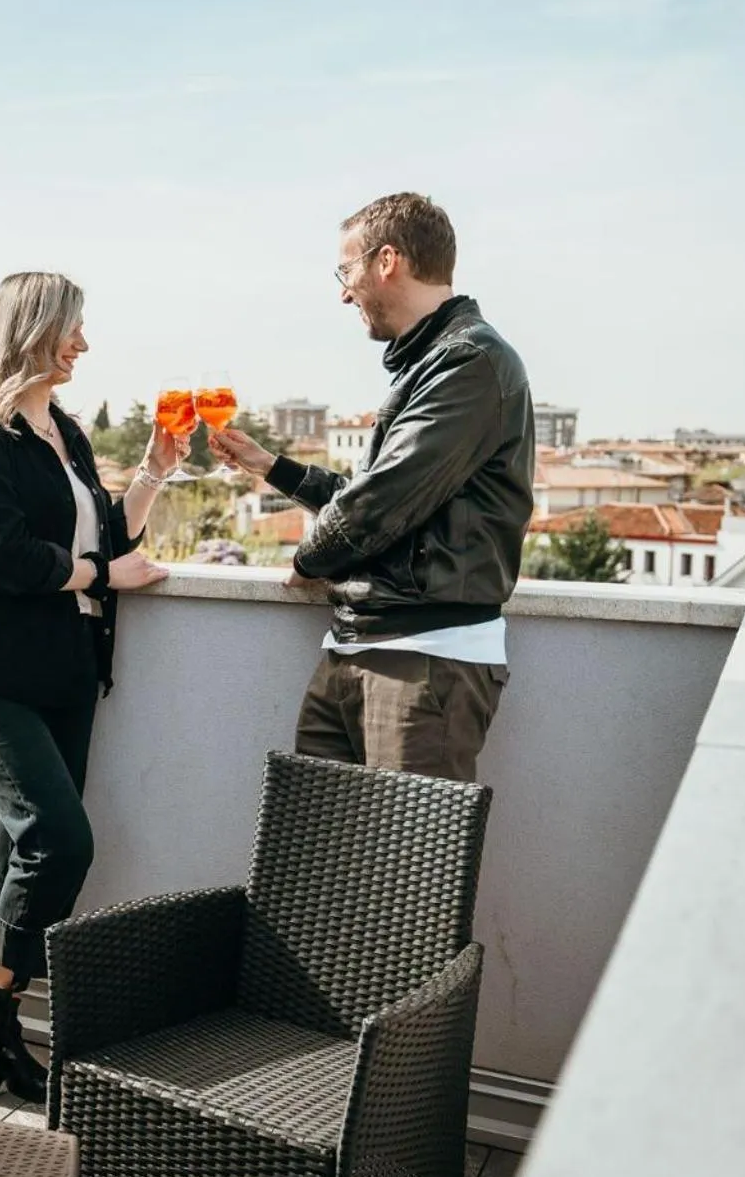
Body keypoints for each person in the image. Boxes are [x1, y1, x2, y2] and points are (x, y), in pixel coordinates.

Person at [0, 271, 177, 1101]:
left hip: (69, 669)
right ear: (32, 331)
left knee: (19, 847)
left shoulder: (65, 431)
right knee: (59, 840)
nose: (82, 344)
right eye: (71, 328)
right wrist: (102, 574)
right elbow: (4, 556)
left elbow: (105, 534)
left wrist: (152, 471)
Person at [211, 193, 534, 783]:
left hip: (425, 659)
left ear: (387, 261)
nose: (344, 293)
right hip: (359, 649)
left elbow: (382, 502)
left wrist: (308, 560)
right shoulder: (432, 360)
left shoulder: (469, 361)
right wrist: (272, 467)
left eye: (346, 271)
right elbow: (381, 494)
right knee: (315, 840)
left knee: (412, 847)